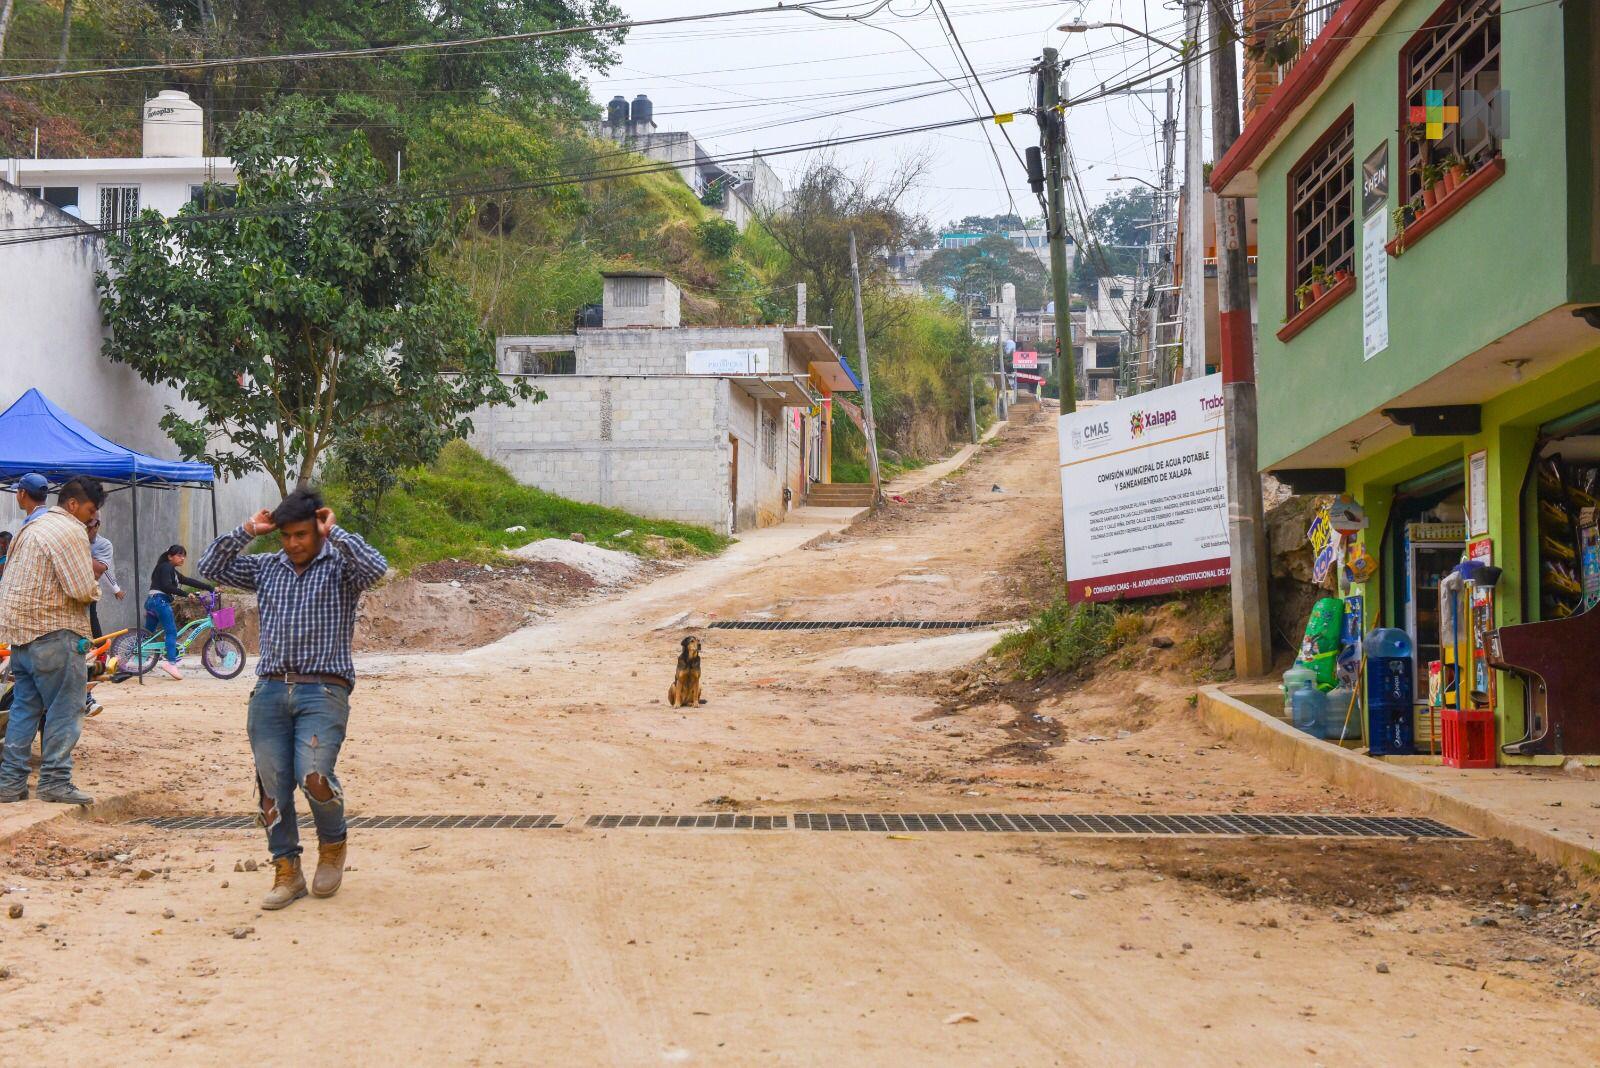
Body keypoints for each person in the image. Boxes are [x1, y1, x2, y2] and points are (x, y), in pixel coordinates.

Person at [198, 488, 387, 910]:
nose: (293, 544)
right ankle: (287, 870)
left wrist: (335, 532)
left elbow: (377, 569)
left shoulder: (341, 567)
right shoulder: (268, 567)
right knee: (271, 788)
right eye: (285, 536)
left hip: (324, 689)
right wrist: (249, 530)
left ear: (317, 530)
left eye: (301, 534)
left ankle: (333, 846)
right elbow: (209, 565)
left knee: (314, 776)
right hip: (269, 690)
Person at [0, 476, 105, 805]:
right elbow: (81, 589)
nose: (91, 517)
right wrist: (97, 585)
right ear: (73, 504)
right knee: (65, 709)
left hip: (20, 638)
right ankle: (55, 782)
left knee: (24, 710)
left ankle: (10, 783)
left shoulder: (31, 527)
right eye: (90, 509)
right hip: (54, 634)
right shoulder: (70, 529)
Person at [145, 543, 214, 681]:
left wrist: (209, 587)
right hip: (160, 601)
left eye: (184, 556)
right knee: (171, 632)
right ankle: (171, 663)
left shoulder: (171, 570)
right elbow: (166, 586)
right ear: (170, 556)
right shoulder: (166, 567)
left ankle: (137, 658)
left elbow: (188, 580)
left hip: (153, 601)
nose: (182, 558)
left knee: (147, 634)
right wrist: (185, 594)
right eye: (179, 555)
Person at [86, 517, 125, 639]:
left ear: (97, 526)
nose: (84, 531)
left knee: (92, 618)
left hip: (87, 590)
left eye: (88, 527)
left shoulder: (103, 545)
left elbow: (102, 571)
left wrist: (115, 589)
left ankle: (100, 652)